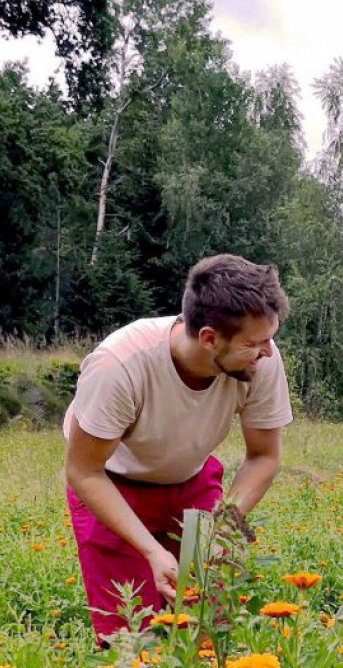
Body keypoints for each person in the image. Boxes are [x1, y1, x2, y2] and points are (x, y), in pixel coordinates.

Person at [64, 253, 292, 642]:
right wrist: (152, 551)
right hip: (112, 486)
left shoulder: (260, 362)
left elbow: (263, 457)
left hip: (191, 480)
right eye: (255, 343)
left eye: (269, 338)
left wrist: (220, 529)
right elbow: (84, 471)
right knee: (133, 639)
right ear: (208, 338)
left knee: (206, 624)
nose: (268, 352)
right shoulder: (119, 366)